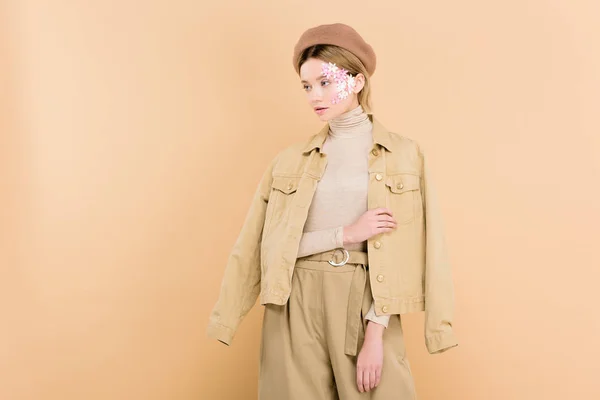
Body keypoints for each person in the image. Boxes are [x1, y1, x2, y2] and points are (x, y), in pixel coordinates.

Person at [207, 23, 458, 399]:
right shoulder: (289, 161)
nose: (314, 96)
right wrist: (346, 234)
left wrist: (377, 330)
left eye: (325, 82)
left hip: (366, 300)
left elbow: (412, 249)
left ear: (357, 81)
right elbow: (263, 248)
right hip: (293, 304)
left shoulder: (404, 156)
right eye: (307, 86)